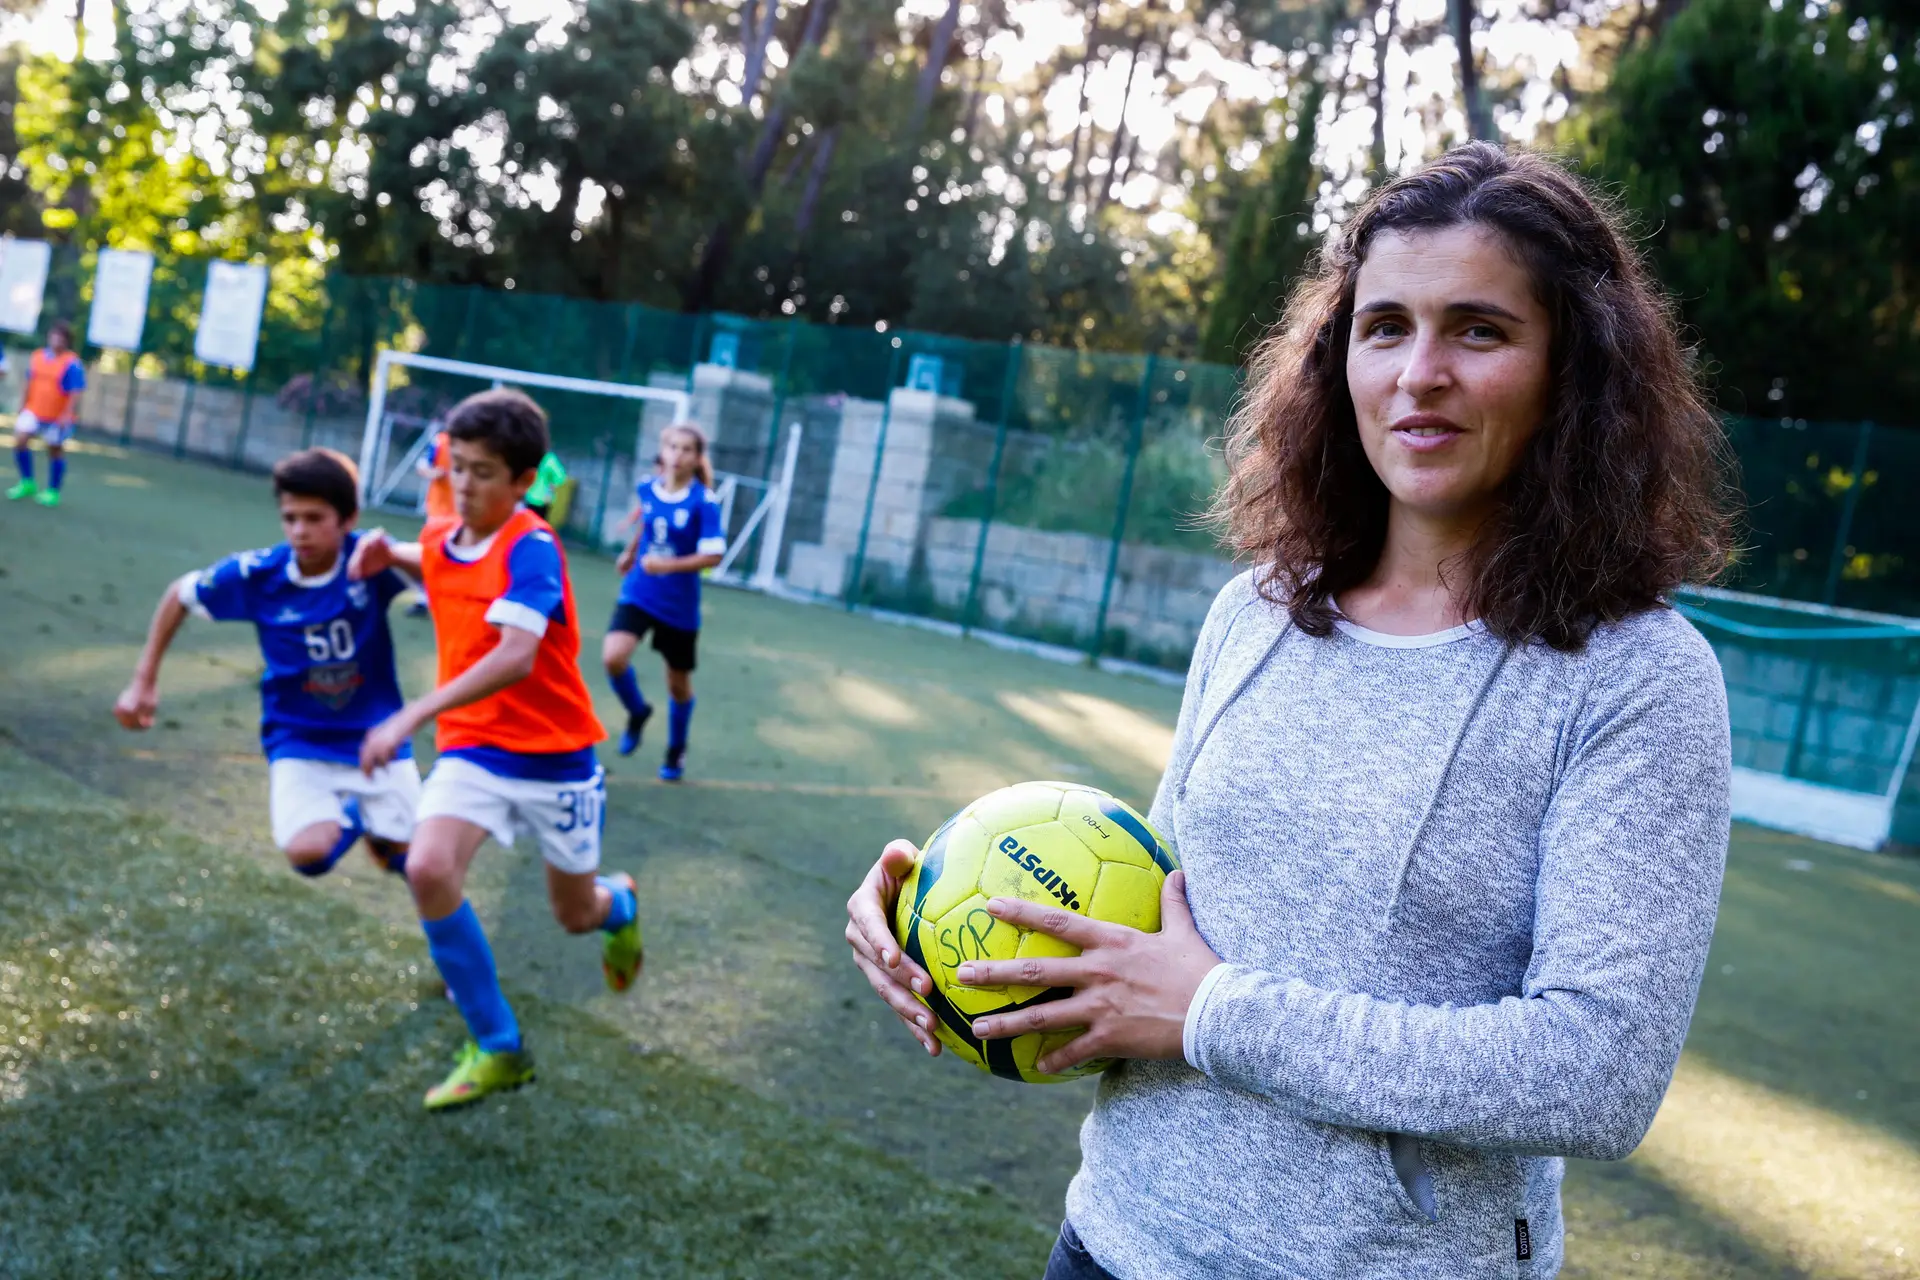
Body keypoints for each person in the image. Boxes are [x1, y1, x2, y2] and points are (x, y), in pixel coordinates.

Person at [845, 143, 1736, 1280]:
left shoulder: (1635, 675)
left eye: (1479, 329)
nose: (1420, 372)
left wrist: (1212, 1011)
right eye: (1384, 326)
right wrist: (938, 922)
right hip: (1117, 1237)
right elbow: (1156, 908)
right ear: (1337, 357)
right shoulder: (1259, 611)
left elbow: (1597, 1070)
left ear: (1575, 367)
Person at [350, 387, 644, 1112]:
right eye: (458, 466)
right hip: (474, 750)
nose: (465, 484)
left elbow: (516, 654)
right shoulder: (446, 535)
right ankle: (498, 1045)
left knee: (573, 915)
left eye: (485, 473)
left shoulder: (533, 547)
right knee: (427, 868)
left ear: (522, 483)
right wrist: (383, 555)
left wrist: (408, 714)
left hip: (556, 762)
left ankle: (622, 909)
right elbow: (436, 563)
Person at [113, 448, 416, 877]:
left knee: (410, 863)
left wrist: (399, 557)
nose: (299, 531)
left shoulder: (369, 561)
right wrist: (143, 681)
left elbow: (445, 568)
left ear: (348, 519)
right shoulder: (259, 575)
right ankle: (362, 816)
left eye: (314, 518)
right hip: (298, 736)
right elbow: (180, 594)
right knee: (307, 856)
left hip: (378, 735)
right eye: (290, 518)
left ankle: (376, 824)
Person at [603, 423, 725, 782]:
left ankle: (676, 750)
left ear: (696, 457)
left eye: (687, 449)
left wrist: (666, 565)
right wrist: (630, 553)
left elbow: (713, 556)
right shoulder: (648, 488)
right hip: (640, 591)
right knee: (613, 657)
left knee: (678, 685)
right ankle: (638, 711)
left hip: (678, 604)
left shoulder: (704, 502)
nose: (678, 455)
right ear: (663, 451)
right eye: (672, 447)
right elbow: (649, 525)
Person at [7, 320, 86, 507]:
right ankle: (27, 482)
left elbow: (76, 392)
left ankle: (52, 491)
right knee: (20, 440)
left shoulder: (72, 363)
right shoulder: (37, 357)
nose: (57, 339)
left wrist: (67, 414)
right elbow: (29, 382)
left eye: (61, 337)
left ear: (67, 341)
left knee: (55, 451)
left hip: (56, 416)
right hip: (34, 410)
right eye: (54, 335)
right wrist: (23, 403)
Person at [523, 450, 568, 522]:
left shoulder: (530, 456)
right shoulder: (549, 460)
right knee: (537, 525)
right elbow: (560, 478)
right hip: (542, 499)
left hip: (529, 497)